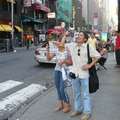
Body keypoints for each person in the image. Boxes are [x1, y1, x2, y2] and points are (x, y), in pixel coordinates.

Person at [60, 31, 101, 120]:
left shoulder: (88, 46)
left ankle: (87, 112)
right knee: (76, 94)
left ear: (85, 39)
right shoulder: (72, 45)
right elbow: (61, 45)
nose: (78, 36)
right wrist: (66, 35)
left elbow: (98, 56)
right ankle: (78, 109)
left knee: (86, 95)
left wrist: (90, 65)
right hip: (75, 74)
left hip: (84, 74)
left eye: (81, 35)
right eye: (78, 35)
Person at [46, 36, 72, 113]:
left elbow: (71, 63)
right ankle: (61, 104)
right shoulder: (56, 50)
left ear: (62, 43)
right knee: (58, 89)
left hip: (64, 72)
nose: (57, 43)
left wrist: (64, 61)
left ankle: (68, 105)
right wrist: (47, 50)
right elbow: (48, 59)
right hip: (57, 71)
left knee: (62, 89)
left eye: (58, 41)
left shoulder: (67, 51)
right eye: (57, 41)